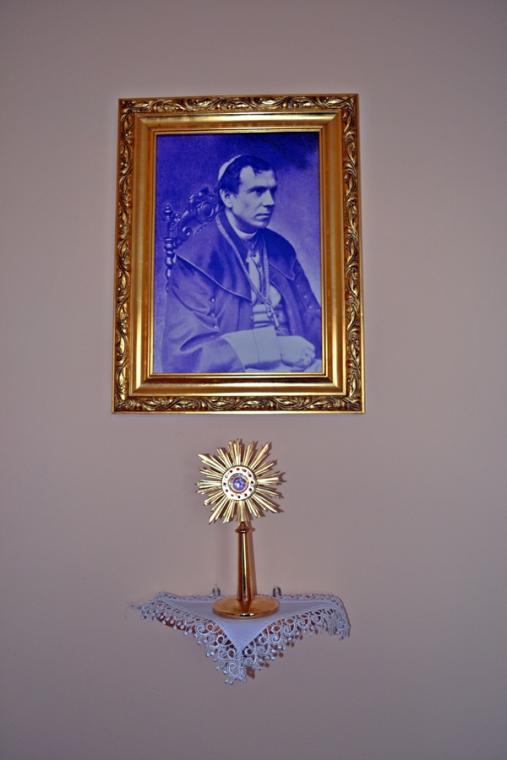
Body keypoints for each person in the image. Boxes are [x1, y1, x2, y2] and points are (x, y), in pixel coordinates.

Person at [161, 155, 322, 373]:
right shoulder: (197, 257)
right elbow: (186, 354)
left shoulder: (281, 249)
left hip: (299, 365)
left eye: (272, 191)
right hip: (237, 373)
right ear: (227, 197)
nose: (270, 202)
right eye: (257, 191)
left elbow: (313, 321)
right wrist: (274, 348)